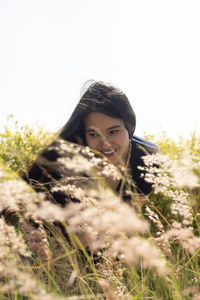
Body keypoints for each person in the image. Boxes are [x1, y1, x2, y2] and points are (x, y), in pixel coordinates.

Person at [57, 80, 159, 201]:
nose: (105, 144)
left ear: (129, 127)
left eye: (113, 131)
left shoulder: (148, 158)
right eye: (93, 134)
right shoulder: (67, 158)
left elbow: (129, 216)